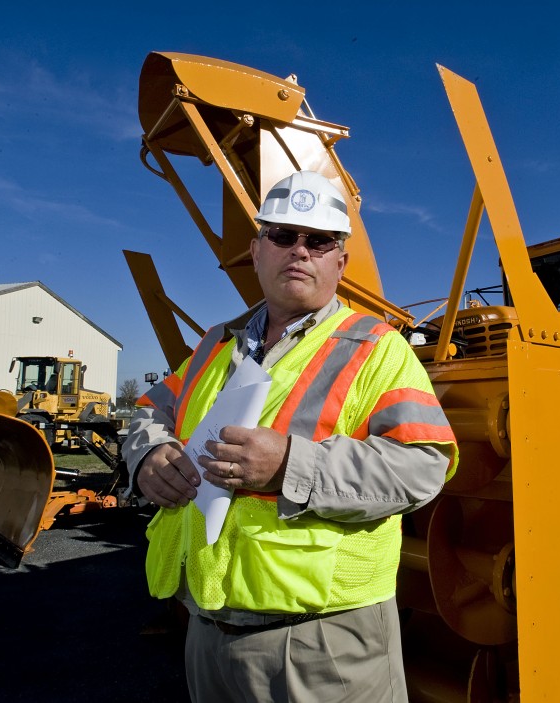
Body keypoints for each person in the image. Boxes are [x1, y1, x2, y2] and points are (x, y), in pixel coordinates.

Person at [123, 170, 458, 703]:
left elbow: (422, 465)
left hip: (321, 642)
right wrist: (148, 456)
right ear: (256, 252)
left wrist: (290, 466)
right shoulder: (216, 344)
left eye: (319, 240)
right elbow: (149, 412)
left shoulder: (377, 348)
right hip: (206, 629)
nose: (300, 250)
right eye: (283, 235)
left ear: (340, 263)